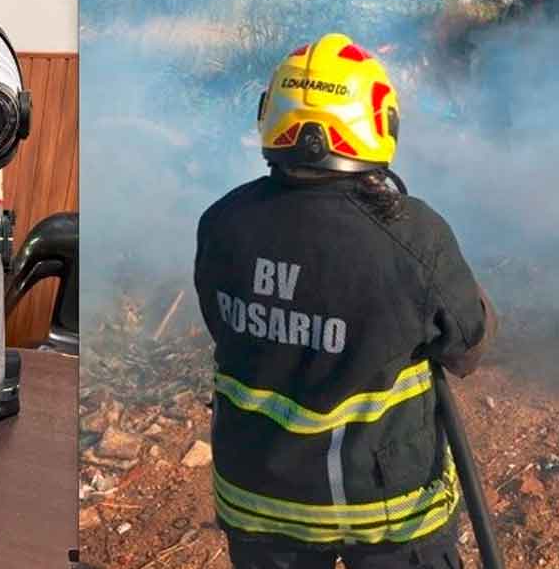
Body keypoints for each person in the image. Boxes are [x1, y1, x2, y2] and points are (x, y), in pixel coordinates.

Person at [193, 33, 497, 569]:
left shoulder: (221, 222)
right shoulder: (414, 235)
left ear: (271, 114)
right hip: (385, 509)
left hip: (256, 500)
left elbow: (224, 326)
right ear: (379, 122)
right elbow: (466, 347)